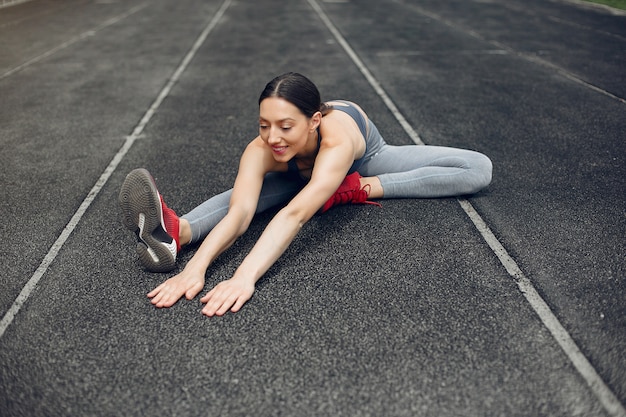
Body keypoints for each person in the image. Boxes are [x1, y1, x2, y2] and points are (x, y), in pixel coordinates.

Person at [119, 72, 492, 317]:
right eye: (264, 126)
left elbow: (294, 215)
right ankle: (178, 234)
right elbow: (240, 214)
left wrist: (244, 277)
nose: (273, 137)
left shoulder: (336, 140)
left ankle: (359, 188)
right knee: (241, 195)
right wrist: (196, 269)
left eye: (285, 126)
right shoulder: (264, 148)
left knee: (477, 169)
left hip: (364, 164)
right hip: (297, 172)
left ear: (314, 121)